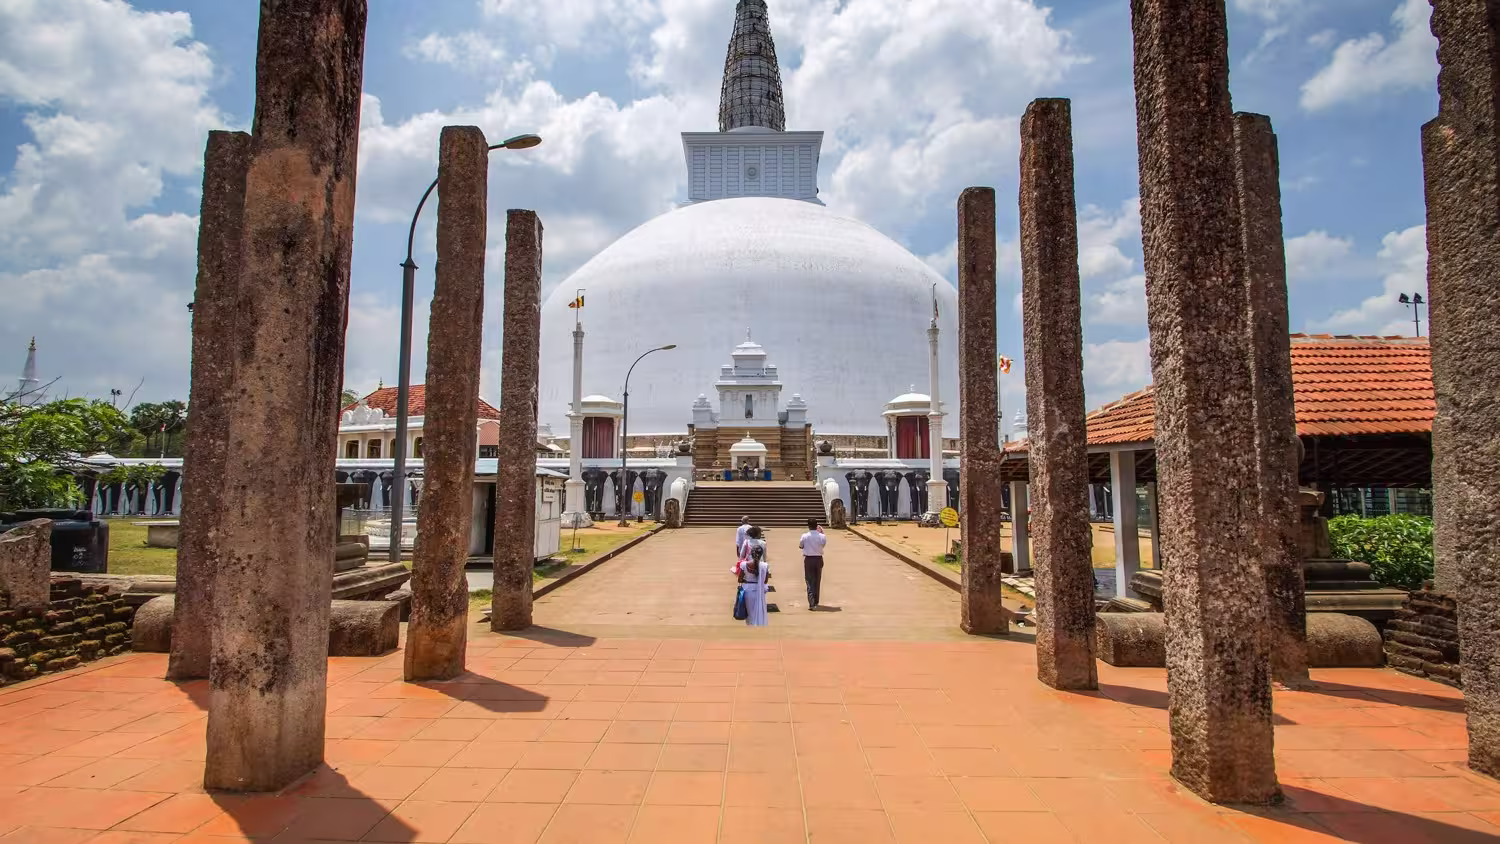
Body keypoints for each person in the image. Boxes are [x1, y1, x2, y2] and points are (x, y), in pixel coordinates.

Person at [736, 535, 770, 627]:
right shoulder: (765, 565)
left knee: (749, 613)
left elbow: (739, 579)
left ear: (751, 553)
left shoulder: (744, 564)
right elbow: (765, 581)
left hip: (747, 590)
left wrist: (746, 579)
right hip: (759, 590)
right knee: (758, 611)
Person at [798, 518, 827, 609]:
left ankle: (811, 602)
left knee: (809, 580)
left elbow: (800, 546)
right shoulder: (822, 536)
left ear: (808, 526)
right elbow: (823, 545)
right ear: (816, 525)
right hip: (818, 559)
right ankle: (816, 600)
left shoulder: (804, 536)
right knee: (817, 580)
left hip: (808, 559)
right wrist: (821, 533)